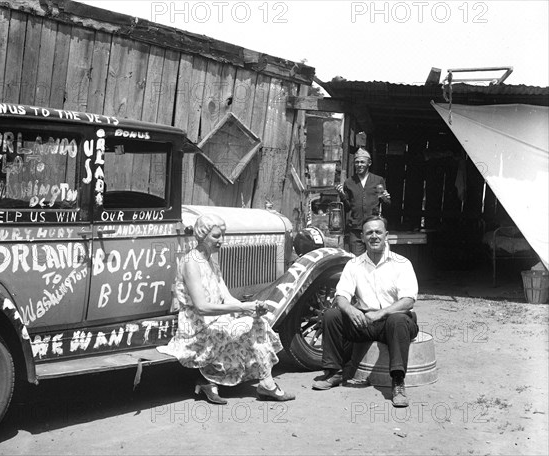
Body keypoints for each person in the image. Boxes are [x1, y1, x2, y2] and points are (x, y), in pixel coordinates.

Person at [158, 213, 295, 404]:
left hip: (215, 318)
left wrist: (250, 308)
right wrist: (242, 308)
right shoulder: (191, 262)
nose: (221, 240)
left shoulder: (211, 261)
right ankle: (258, 384)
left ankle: (264, 382)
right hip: (196, 324)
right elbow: (201, 307)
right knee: (246, 327)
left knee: (256, 321)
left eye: (223, 235)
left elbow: (226, 296)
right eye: (216, 236)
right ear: (201, 235)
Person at [312, 215, 419, 408]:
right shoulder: (354, 264)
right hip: (364, 320)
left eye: (378, 232)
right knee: (332, 316)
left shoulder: (402, 263)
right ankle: (334, 373)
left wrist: (380, 313)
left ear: (386, 235)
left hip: (394, 321)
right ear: (362, 236)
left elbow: (408, 300)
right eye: (369, 232)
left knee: (398, 320)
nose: (374, 236)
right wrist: (351, 311)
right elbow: (341, 296)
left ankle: (397, 383)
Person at [336, 148, 391, 255]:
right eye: (357, 162)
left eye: (362, 162)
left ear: (369, 163)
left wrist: (385, 198)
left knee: (375, 259)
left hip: (374, 229)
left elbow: (387, 204)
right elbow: (347, 208)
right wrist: (342, 196)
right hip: (356, 230)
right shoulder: (349, 182)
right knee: (357, 261)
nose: (359, 165)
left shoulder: (377, 180)